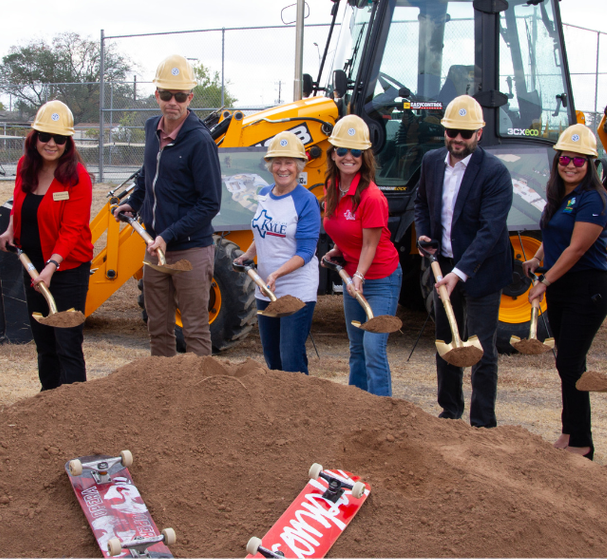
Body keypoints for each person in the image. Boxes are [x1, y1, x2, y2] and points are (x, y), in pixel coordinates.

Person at [413, 94, 513, 428]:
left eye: (465, 133)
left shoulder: (495, 173)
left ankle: (483, 421)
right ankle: (450, 410)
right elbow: (421, 204)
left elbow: (489, 231)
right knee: (447, 341)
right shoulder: (430, 162)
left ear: (479, 133)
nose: (457, 139)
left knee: (481, 348)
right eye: (452, 131)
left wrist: (460, 272)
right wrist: (425, 237)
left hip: (482, 270)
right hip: (443, 266)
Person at [113, 54, 222, 357]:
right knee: (157, 327)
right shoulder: (151, 128)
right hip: (154, 246)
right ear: (156, 93)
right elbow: (148, 175)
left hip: (190, 249)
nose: (172, 102)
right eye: (165, 94)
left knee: (195, 328)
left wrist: (168, 234)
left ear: (190, 97)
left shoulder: (200, 141)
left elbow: (210, 203)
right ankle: (162, 395)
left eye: (179, 96)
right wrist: (133, 203)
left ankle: (199, 399)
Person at [521, 124, 607, 460]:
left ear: (591, 164)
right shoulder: (562, 196)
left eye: (579, 159)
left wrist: (544, 282)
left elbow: (575, 250)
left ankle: (583, 443)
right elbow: (556, 235)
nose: (571, 164)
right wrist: (538, 257)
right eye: (565, 158)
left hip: (585, 290)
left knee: (573, 363)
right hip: (562, 288)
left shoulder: (594, 199)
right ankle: (568, 432)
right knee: (565, 363)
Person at [0, 101, 93, 390]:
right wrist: (11, 227)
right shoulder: (25, 167)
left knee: (67, 342)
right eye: (45, 136)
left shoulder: (77, 178)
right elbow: (20, 202)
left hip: (67, 270)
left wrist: (53, 265)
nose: (51, 143)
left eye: (59, 138)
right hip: (33, 265)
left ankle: (74, 408)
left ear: (68, 142)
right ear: (34, 136)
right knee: (44, 341)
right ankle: (48, 401)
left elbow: (72, 229)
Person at [320, 115, 401, 396]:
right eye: (342, 150)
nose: (348, 157)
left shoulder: (372, 197)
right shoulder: (331, 187)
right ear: (333, 154)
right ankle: (356, 407)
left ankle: (382, 411)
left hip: (379, 278)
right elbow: (342, 228)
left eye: (356, 151)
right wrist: (337, 250)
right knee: (356, 346)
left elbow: (370, 245)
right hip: (354, 275)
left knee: (372, 346)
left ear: (364, 156)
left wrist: (359, 276)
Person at [234, 132, 320, 374]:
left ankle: (300, 407)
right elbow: (262, 232)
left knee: (290, 357)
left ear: (299, 166)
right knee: (272, 356)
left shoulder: (306, 201)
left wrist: (276, 274)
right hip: (266, 287)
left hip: (296, 289)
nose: (283, 168)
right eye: (278, 162)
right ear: (270, 165)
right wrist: (248, 256)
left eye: (289, 162)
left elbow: (306, 252)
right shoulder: (264, 195)